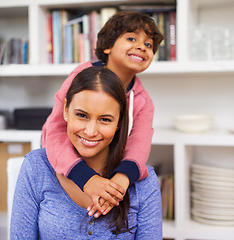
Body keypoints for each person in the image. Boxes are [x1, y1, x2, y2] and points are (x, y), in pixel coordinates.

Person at [11, 67, 162, 239]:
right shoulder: (36, 167)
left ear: (119, 122)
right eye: (82, 115)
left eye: (105, 119)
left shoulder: (145, 182)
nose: (90, 131)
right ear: (66, 110)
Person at [41, 11, 164, 217]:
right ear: (107, 46)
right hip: (64, 166)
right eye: (132, 38)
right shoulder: (81, 78)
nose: (142, 47)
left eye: (149, 45)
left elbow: (139, 146)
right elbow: (54, 132)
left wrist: (119, 182)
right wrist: (87, 179)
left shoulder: (143, 102)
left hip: (107, 169)